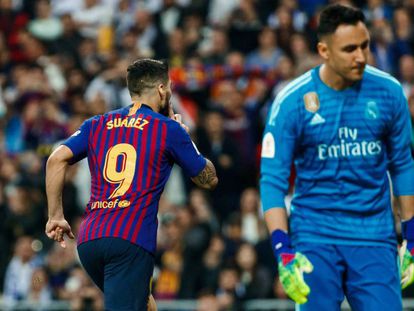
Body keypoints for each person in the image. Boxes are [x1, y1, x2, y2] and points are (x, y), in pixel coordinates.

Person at [260, 4, 414, 311]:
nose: (360, 56)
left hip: (374, 237)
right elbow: (272, 181)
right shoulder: (292, 101)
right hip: (314, 237)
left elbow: (403, 164)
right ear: (324, 50)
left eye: (364, 46)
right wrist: (283, 250)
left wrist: (411, 234)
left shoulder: (389, 92)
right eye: (349, 49)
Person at [45, 58, 218, 311]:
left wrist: (55, 216)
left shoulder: (96, 123)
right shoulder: (168, 129)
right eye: (169, 87)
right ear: (162, 89)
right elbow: (209, 179)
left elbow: (56, 158)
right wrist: (185, 136)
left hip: (89, 241)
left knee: (145, 304)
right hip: (129, 240)